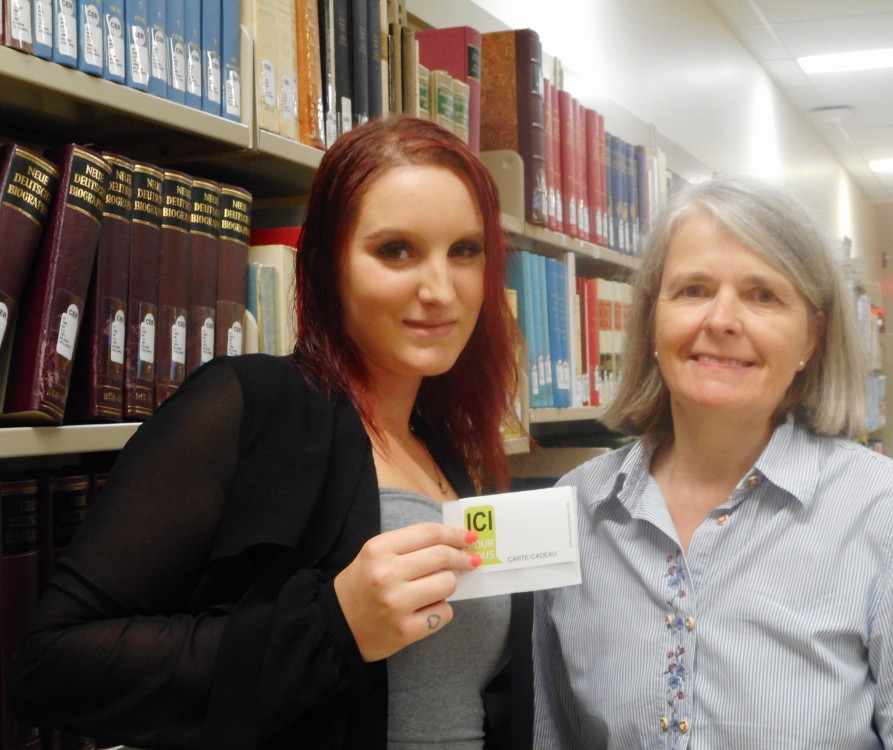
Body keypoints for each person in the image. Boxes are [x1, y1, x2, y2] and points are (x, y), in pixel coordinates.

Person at [11, 115, 533, 750]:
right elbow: (53, 665)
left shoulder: (447, 450)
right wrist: (331, 625)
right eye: (395, 250)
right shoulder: (250, 406)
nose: (439, 289)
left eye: (464, 252)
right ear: (328, 264)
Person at [532, 176, 893, 748]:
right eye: (694, 289)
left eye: (763, 295)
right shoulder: (576, 511)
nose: (722, 320)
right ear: (652, 318)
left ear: (811, 338)